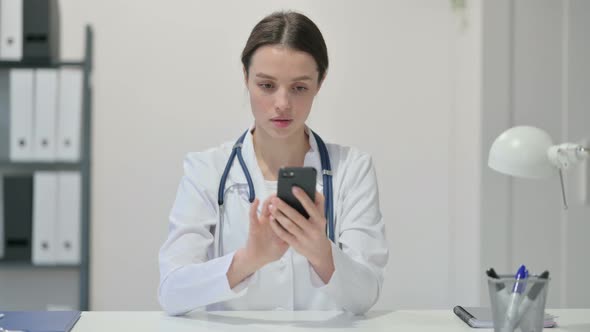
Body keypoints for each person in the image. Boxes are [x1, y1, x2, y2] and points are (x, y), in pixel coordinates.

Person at [158, 11, 388, 316]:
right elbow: (172, 293)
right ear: (246, 77)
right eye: (267, 85)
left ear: (320, 83)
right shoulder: (206, 169)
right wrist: (249, 260)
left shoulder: (352, 169)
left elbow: (364, 297)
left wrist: (321, 253)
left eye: (299, 87)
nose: (282, 103)